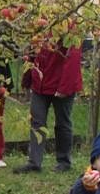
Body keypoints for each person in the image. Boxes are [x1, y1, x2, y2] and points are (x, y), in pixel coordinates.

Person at [14, 42, 83, 173]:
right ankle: (34, 162)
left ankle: (64, 162)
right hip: (40, 83)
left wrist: (65, 87)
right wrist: (27, 78)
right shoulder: (41, 25)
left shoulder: (69, 26)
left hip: (61, 83)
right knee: (37, 122)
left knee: (62, 123)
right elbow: (33, 52)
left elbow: (73, 58)